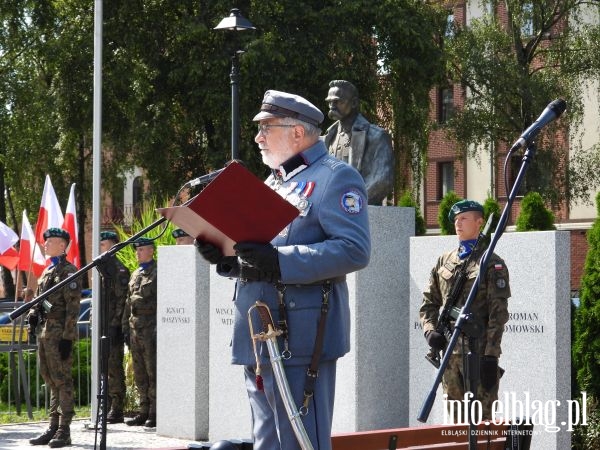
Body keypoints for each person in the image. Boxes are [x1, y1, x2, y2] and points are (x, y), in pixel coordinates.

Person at [195, 90, 371, 450]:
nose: (258, 137)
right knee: (267, 442)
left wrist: (280, 261)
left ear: (297, 132)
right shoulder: (273, 183)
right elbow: (259, 251)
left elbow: (354, 250)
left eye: (266, 128)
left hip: (302, 335)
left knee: (300, 441)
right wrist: (227, 257)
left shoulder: (336, 177)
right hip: (258, 333)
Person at [419, 200, 510, 422]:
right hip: (450, 356)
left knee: (481, 423)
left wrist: (491, 355)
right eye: (456, 220)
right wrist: (431, 331)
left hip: (477, 354)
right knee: (456, 424)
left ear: (479, 223)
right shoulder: (444, 261)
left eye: (464, 219)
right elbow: (428, 302)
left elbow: (498, 315)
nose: (458, 223)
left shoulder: (491, 263)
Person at [27, 228, 81, 448]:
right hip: (45, 334)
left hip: (59, 336)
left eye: (50, 242)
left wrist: (68, 338)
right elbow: (41, 301)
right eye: (45, 242)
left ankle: (64, 430)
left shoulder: (69, 272)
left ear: (63, 245)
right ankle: (52, 426)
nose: (46, 245)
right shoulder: (48, 271)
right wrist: (32, 315)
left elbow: (73, 309)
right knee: (51, 381)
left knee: (63, 381)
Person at [323, 80, 394, 205]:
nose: (332, 106)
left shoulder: (377, 136)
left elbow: (382, 180)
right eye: (330, 102)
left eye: (338, 101)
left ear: (354, 103)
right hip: (329, 210)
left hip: (358, 212)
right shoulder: (326, 138)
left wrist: (350, 204)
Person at [122, 237, 157, 428]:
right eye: (137, 250)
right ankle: (143, 410)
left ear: (151, 251)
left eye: (141, 250)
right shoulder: (135, 274)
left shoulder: (158, 272)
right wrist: (125, 328)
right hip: (135, 327)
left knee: (152, 371)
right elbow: (128, 303)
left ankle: (154, 411)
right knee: (139, 371)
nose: (138, 253)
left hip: (150, 327)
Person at [99, 231, 131, 423]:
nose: (101, 247)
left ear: (113, 246)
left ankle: (116, 407)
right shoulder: (102, 269)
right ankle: (106, 403)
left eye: (104, 244)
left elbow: (121, 301)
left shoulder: (118, 270)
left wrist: (116, 325)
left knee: (113, 368)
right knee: (103, 367)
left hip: (112, 326)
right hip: (102, 324)